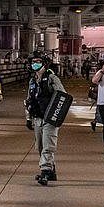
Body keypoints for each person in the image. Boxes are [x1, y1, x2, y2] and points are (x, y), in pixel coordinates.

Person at [24, 52, 67, 186]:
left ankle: (45, 171)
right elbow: (29, 100)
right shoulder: (32, 81)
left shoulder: (51, 78)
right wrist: (28, 118)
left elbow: (62, 96)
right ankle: (51, 170)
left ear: (44, 63)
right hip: (37, 118)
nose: (34, 64)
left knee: (48, 146)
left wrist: (55, 116)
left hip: (49, 118)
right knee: (40, 147)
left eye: (38, 61)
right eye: (33, 61)